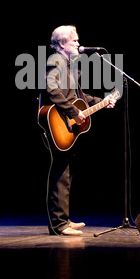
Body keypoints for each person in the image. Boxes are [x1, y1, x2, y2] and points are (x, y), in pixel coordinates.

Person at [39, 25, 116, 235]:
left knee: (65, 173)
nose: (79, 44)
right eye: (75, 41)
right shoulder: (54, 63)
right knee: (59, 173)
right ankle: (58, 225)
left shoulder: (69, 65)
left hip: (64, 123)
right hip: (55, 122)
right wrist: (74, 113)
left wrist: (103, 101)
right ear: (62, 43)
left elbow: (77, 98)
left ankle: (63, 220)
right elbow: (53, 92)